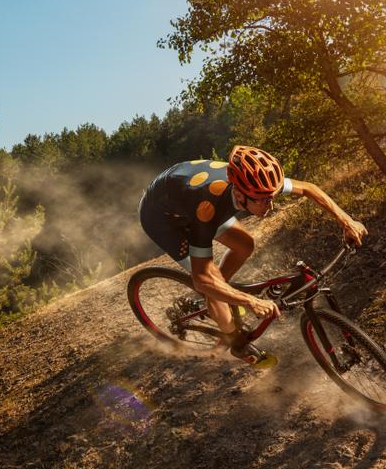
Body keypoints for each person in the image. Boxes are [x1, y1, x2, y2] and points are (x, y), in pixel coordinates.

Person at [138, 145, 367, 367]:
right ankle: (236, 342)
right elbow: (202, 279)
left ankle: (221, 297)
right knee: (211, 282)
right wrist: (250, 301)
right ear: (239, 193)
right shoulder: (208, 208)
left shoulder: (257, 185)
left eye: (272, 197)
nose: (271, 205)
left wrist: (347, 221)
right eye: (262, 200)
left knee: (245, 245)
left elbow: (308, 188)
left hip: (189, 197)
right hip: (163, 218)